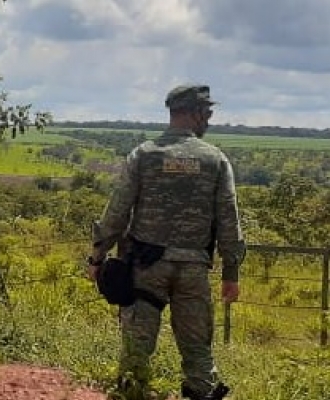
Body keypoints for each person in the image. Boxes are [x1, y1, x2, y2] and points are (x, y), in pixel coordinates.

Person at [87, 84, 246, 400]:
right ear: (195, 113)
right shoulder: (215, 160)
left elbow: (117, 210)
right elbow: (229, 219)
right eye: (207, 112)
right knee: (198, 351)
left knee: (136, 348)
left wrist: (97, 256)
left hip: (146, 268)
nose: (209, 119)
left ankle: (131, 393)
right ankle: (201, 393)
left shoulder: (143, 155)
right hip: (194, 270)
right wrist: (231, 272)